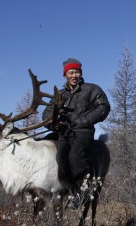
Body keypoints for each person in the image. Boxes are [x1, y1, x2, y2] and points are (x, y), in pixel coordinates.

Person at [43, 57, 110, 206]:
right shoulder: (59, 95)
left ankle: (81, 191)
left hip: (82, 131)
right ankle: (59, 188)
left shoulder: (92, 89)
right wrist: (55, 124)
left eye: (77, 72)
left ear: (81, 73)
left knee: (75, 156)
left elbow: (103, 107)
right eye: (71, 72)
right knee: (55, 154)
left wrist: (83, 120)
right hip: (64, 132)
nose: (74, 75)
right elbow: (46, 115)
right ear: (65, 75)